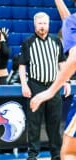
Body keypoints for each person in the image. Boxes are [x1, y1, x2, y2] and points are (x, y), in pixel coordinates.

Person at [18, 12, 71, 160]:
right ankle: (33, 155)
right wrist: (24, 85)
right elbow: (22, 66)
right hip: (35, 85)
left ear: (49, 24)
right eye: (40, 23)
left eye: (45, 23)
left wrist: (65, 81)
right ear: (35, 25)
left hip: (54, 86)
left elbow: (62, 63)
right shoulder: (28, 42)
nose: (42, 26)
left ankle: (56, 155)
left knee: (54, 123)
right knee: (34, 123)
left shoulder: (56, 41)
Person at [30, 0, 76, 159]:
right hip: (36, 83)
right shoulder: (29, 43)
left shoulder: (69, 25)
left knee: (69, 152)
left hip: (51, 86)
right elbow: (69, 22)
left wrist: (51, 90)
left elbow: (74, 57)